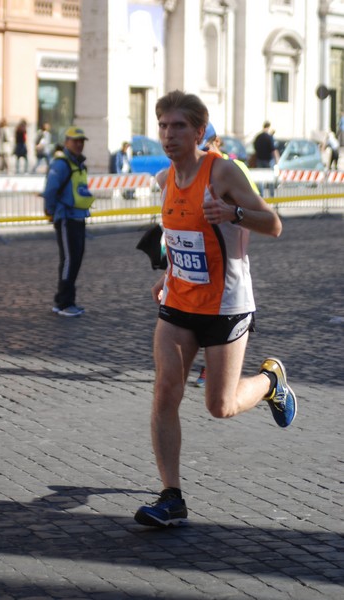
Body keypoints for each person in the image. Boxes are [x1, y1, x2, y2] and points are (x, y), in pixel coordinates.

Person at [134, 90, 297, 528]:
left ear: (199, 131)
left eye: (179, 126)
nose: (169, 135)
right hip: (178, 302)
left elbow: (274, 225)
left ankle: (270, 380)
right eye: (163, 126)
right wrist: (167, 276)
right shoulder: (165, 178)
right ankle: (172, 497)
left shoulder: (221, 171)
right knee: (166, 391)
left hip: (226, 305)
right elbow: (180, 238)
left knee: (219, 406)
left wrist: (233, 212)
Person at [196, 125, 260, 388]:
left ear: (218, 142)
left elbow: (259, 214)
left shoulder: (236, 171)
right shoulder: (194, 171)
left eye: (207, 149)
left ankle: (213, 368)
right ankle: (209, 366)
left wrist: (233, 213)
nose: (203, 155)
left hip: (228, 263)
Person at [43, 126, 95, 317]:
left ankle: (65, 300)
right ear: (67, 142)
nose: (79, 144)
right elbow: (50, 190)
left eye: (82, 141)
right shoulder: (61, 164)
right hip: (66, 218)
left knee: (75, 259)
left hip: (78, 216)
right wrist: (50, 209)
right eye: (75, 140)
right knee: (69, 260)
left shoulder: (78, 163)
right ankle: (64, 302)